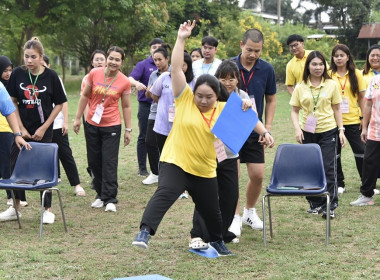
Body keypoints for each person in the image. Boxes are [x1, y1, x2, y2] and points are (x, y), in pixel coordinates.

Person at [132, 21, 265, 256]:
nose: (203, 101)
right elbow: (175, 69)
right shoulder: (184, 99)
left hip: (204, 169)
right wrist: (181, 38)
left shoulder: (223, 108)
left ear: (217, 97)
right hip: (177, 162)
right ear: (193, 93)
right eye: (200, 96)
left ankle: (216, 240)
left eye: (209, 97)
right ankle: (144, 231)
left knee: (212, 210)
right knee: (165, 192)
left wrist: (264, 131)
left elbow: (250, 118)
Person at [188, 60, 275, 249]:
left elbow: (252, 119)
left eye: (232, 79)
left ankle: (221, 231)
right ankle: (197, 234)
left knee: (230, 195)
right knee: (207, 194)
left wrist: (265, 133)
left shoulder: (241, 96)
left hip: (230, 153)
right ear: (216, 79)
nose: (227, 83)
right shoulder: (211, 95)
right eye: (223, 79)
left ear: (238, 80)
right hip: (208, 152)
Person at [0, 37, 67, 224]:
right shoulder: (18, 75)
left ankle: (47, 209)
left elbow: (60, 103)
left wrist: (44, 127)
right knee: (15, 165)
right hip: (22, 131)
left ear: (40, 57)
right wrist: (20, 129)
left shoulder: (51, 76)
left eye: (33, 57)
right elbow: (12, 102)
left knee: (44, 168)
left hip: (43, 130)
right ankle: (16, 207)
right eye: (26, 56)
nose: (29, 61)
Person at [229, 28, 276, 235]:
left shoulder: (267, 69)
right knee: (233, 176)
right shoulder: (228, 66)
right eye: (249, 49)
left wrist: (267, 128)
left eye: (257, 51)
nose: (253, 55)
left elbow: (272, 98)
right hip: (231, 130)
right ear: (241, 45)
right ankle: (234, 216)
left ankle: (249, 211)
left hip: (255, 130)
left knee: (257, 175)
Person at [73, 46, 132, 213]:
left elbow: (126, 106)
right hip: (92, 123)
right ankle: (100, 194)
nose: (113, 62)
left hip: (112, 125)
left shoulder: (124, 81)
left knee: (109, 162)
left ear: (121, 62)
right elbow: (85, 96)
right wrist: (78, 118)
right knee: (94, 161)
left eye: (117, 59)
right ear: (106, 59)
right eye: (111, 58)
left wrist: (128, 129)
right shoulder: (94, 74)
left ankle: (110, 198)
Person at [290, 51, 346, 218]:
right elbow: (294, 110)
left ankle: (330, 205)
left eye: (321, 64)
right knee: (310, 168)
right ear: (308, 66)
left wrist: (341, 130)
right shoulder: (300, 87)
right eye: (314, 64)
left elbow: (337, 108)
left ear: (325, 66)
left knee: (329, 168)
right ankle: (315, 203)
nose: (318, 67)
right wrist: (297, 129)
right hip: (308, 131)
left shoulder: (332, 84)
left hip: (328, 130)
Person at [42, 55, 85, 197]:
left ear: (48, 65)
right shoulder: (30, 80)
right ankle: (47, 183)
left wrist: (65, 122)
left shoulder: (54, 78)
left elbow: (63, 102)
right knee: (44, 157)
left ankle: (76, 185)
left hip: (57, 124)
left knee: (65, 155)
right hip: (39, 127)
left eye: (43, 64)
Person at [328, 44, 366, 195]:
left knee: (362, 151)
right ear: (333, 58)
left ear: (348, 57)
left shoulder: (356, 74)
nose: (338, 58)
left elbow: (362, 99)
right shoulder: (329, 74)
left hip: (353, 120)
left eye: (341, 55)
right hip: (333, 121)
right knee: (335, 154)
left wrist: (363, 118)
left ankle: (367, 182)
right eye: (336, 55)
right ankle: (339, 183)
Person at [129, 38, 164, 177]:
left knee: (162, 137)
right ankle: (142, 168)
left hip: (163, 107)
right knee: (144, 137)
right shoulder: (143, 65)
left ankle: (161, 168)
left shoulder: (168, 66)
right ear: (150, 49)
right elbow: (130, 78)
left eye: (159, 47)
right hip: (146, 105)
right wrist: (136, 84)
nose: (156, 49)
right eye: (153, 46)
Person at [0, 55, 28, 206]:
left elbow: (10, 110)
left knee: (8, 165)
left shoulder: (1, 87)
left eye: (10, 70)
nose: (8, 73)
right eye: (5, 70)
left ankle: (14, 197)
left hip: (5, 130)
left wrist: (17, 133)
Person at [142, 44, 170, 185]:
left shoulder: (174, 73)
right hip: (154, 112)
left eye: (160, 59)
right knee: (149, 142)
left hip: (170, 114)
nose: (158, 63)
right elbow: (149, 95)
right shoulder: (153, 74)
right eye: (155, 60)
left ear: (167, 58)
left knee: (167, 145)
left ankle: (169, 174)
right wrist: (149, 91)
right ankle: (155, 172)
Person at [350, 74, 380, 206]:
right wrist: (364, 128)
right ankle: (367, 195)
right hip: (375, 130)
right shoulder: (375, 80)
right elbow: (367, 104)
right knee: (369, 161)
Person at [80, 50, 106, 186]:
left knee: (105, 150)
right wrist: (87, 121)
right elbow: (84, 101)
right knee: (93, 150)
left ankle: (104, 177)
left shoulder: (111, 77)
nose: (99, 62)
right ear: (92, 62)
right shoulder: (87, 78)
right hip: (91, 120)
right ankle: (95, 176)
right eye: (97, 59)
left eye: (102, 59)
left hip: (107, 120)